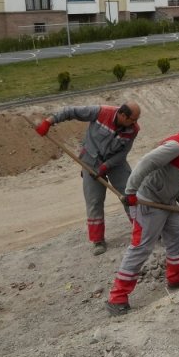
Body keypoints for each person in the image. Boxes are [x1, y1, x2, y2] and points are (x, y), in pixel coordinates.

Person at [105, 112, 179, 316]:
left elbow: (175, 180)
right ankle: (117, 297)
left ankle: (176, 276)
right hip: (150, 202)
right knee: (141, 247)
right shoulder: (177, 145)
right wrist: (130, 191)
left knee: (177, 235)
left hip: (167, 202)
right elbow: (145, 162)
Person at [35, 102, 141, 256]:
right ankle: (98, 240)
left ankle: (142, 230)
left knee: (129, 194)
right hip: (90, 161)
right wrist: (49, 122)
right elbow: (71, 111)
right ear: (123, 115)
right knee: (94, 200)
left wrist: (106, 166)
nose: (135, 123)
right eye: (133, 119)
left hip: (115, 163)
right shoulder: (100, 112)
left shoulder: (133, 129)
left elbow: (123, 153)